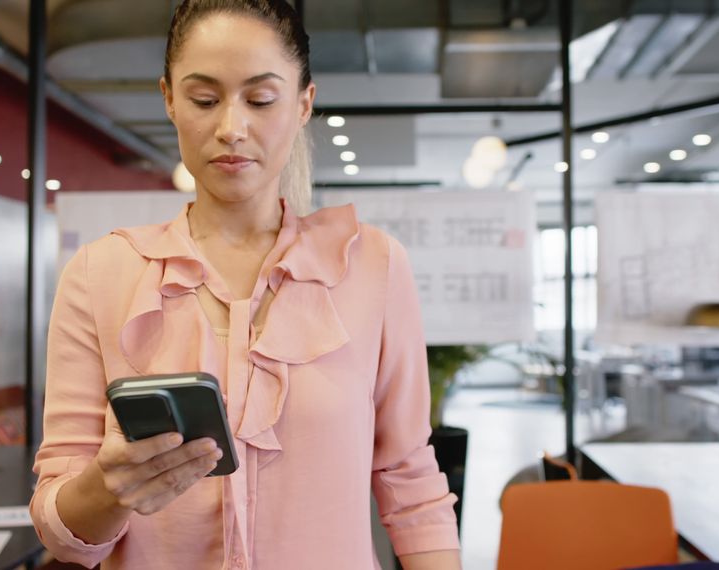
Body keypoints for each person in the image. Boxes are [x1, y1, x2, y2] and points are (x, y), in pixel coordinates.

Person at [29, 1, 462, 568]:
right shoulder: (100, 272)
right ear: (169, 100)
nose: (231, 128)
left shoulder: (373, 266)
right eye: (204, 100)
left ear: (304, 103)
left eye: (261, 99)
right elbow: (60, 530)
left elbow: (409, 477)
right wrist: (108, 489)